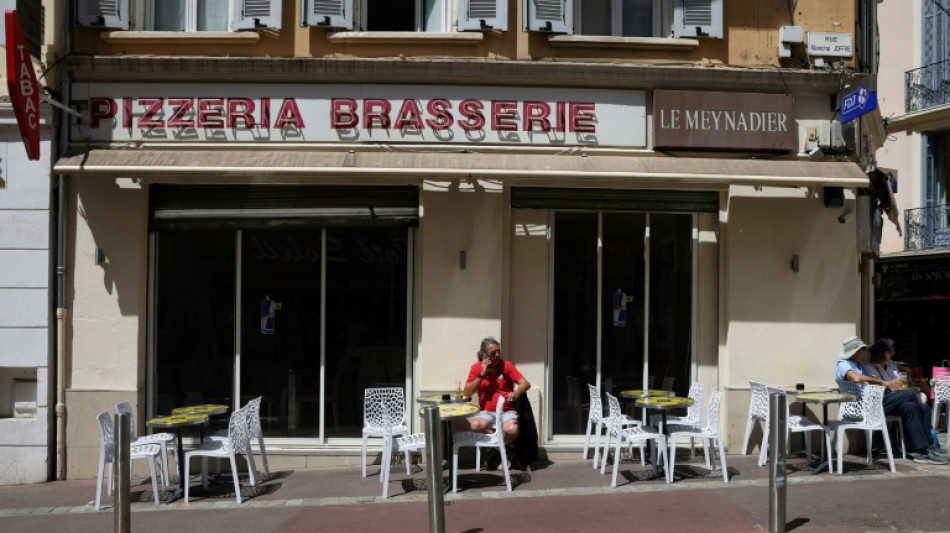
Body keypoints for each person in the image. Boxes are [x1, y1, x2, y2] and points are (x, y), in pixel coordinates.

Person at [834, 335, 947, 465]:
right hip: (862, 405)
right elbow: (855, 378)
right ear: (855, 351)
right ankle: (926, 438)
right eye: (863, 349)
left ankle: (922, 451)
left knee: (909, 406)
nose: (864, 351)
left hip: (875, 400)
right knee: (911, 396)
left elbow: (871, 380)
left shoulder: (859, 364)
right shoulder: (843, 364)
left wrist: (881, 385)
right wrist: (883, 382)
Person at [463, 337, 531, 446]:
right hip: (487, 412)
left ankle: (497, 450)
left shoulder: (506, 365)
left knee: (512, 430)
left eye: (498, 351)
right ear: (484, 354)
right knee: (475, 426)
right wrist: (482, 374)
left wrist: (516, 393)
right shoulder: (476, 368)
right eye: (493, 353)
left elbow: (525, 384)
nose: (497, 355)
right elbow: (467, 393)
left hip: (506, 411)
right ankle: (503, 449)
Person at [867, 338, 929, 404]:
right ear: (881, 354)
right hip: (886, 399)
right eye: (889, 352)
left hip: (898, 395)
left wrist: (903, 384)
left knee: (919, 398)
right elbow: (877, 389)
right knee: (913, 397)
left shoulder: (891, 366)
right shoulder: (870, 369)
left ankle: (932, 411)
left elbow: (901, 383)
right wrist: (893, 385)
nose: (892, 354)